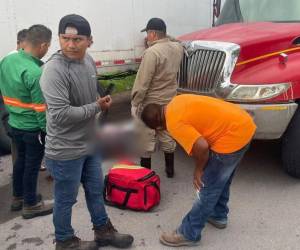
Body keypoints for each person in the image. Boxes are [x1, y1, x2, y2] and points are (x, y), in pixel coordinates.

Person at [40, 14, 134, 250]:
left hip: (89, 143)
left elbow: (90, 93)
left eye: (78, 39)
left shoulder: (89, 61)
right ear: (59, 39)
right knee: (66, 199)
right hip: (65, 149)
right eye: (65, 38)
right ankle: (64, 241)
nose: (70, 45)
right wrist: (96, 106)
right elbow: (60, 114)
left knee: (95, 190)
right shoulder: (54, 70)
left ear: (89, 41)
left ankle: (103, 232)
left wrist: (99, 100)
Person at [141, 94, 256, 247]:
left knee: (207, 189)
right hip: (243, 124)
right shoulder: (176, 101)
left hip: (232, 136)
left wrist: (198, 170)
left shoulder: (174, 123)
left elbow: (202, 147)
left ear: (159, 127)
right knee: (222, 178)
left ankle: (189, 233)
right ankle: (218, 215)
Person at [0, 24, 53, 218]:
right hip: (32, 128)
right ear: (43, 45)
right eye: (48, 47)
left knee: (20, 162)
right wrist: (46, 131)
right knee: (32, 166)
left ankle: (18, 197)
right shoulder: (35, 72)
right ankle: (31, 204)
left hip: (14, 123)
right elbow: (40, 110)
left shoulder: (7, 60)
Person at [131, 17, 183, 178]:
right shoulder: (177, 48)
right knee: (166, 133)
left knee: (145, 137)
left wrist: (135, 102)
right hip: (169, 100)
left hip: (150, 103)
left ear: (153, 33)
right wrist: (165, 37)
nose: (146, 37)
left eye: (147, 33)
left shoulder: (152, 53)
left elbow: (143, 82)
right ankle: (170, 171)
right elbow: (175, 39)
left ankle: (146, 176)